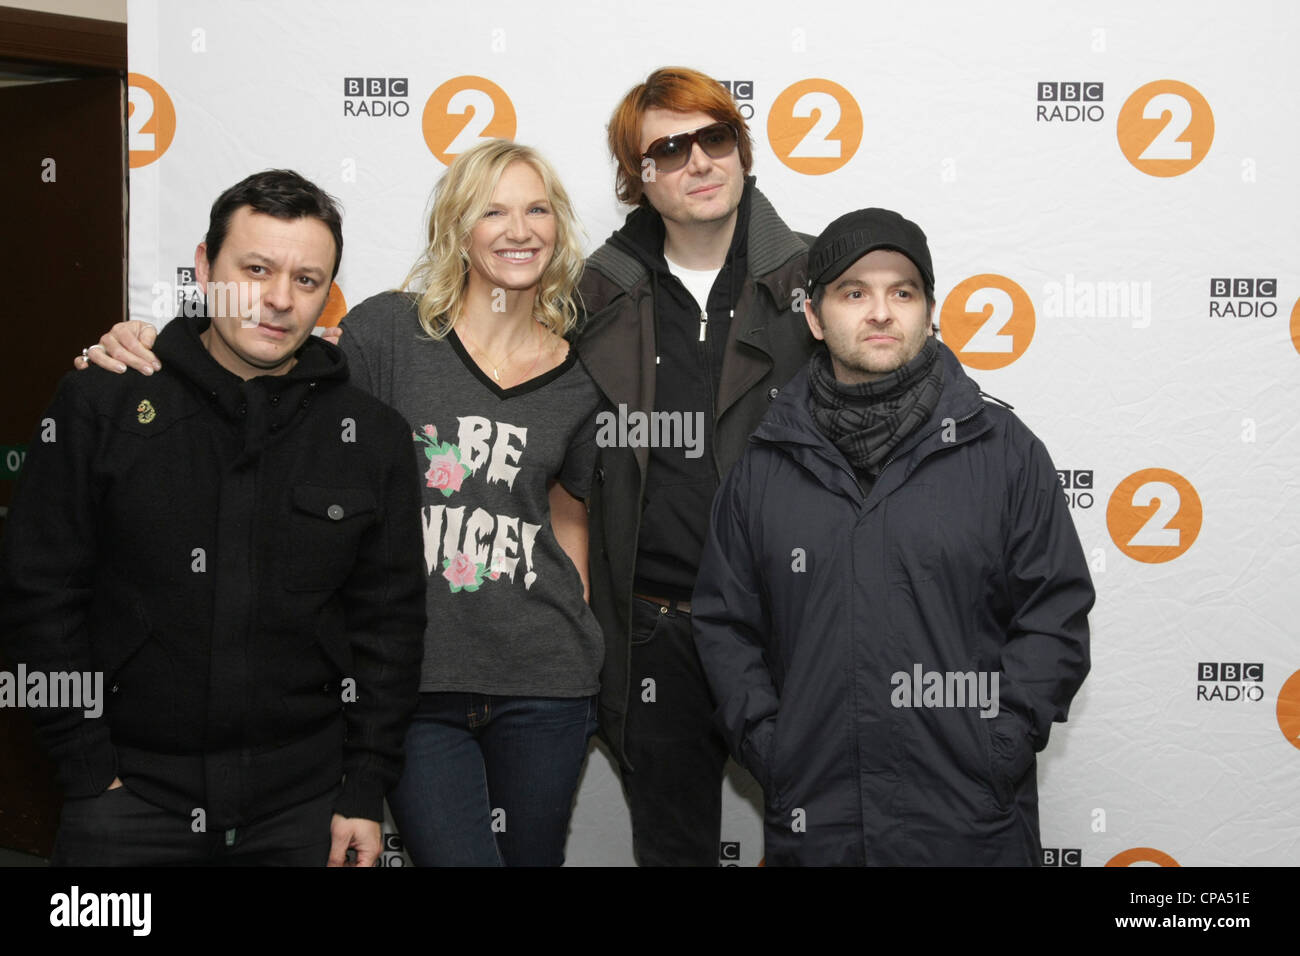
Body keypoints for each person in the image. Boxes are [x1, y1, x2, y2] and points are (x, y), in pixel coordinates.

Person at [78, 141, 604, 866]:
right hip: (415, 684)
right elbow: (278, 374)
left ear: (559, 225)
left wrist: (576, 611)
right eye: (493, 209)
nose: (519, 229)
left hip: (544, 679)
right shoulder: (387, 331)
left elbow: (565, 508)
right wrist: (145, 343)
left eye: (537, 208)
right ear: (457, 227)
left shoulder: (582, 376)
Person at [0, 169, 427, 866]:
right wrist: (86, 767)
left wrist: (362, 789)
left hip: (304, 809)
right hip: (126, 802)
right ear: (204, 266)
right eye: (255, 269)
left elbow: (390, 623)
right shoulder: (102, 403)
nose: (280, 300)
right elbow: (40, 595)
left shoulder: (368, 434)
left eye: (308, 280)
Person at [691, 207, 1095, 865]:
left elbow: (1053, 616)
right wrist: (773, 745)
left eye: (901, 292)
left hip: (971, 827)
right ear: (816, 318)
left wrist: (1000, 743)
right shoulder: (763, 466)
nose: (880, 312)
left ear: (929, 311)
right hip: (820, 822)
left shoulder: (1006, 453)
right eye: (855, 292)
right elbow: (723, 626)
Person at [576, 67, 816, 866]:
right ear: (635, 179)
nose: (699, 162)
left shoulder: (820, 282)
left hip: (794, 625)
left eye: (716, 139)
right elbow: (468, 334)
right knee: (673, 852)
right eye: (668, 150)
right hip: (654, 632)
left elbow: (914, 382)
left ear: (742, 151)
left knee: (827, 837)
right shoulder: (588, 297)